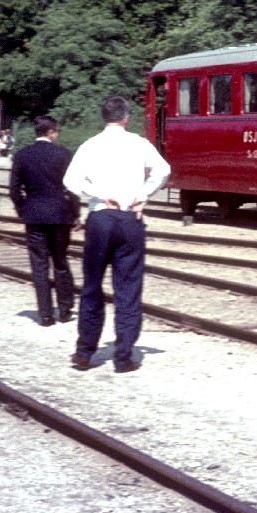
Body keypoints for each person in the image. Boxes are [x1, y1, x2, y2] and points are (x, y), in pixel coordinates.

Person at [64, 96, 169, 373]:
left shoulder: (90, 145)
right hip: (129, 220)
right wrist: (142, 196)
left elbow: (70, 180)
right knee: (128, 290)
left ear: (104, 118)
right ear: (126, 118)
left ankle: (85, 353)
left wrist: (98, 194)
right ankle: (123, 358)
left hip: (100, 218)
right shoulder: (138, 143)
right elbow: (163, 170)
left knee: (92, 287)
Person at [9, 115, 79, 327]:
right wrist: (75, 214)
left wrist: (24, 210)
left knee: (39, 265)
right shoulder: (64, 154)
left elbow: (13, 189)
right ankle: (65, 310)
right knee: (60, 261)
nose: (57, 135)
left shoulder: (22, 155)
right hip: (60, 215)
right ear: (51, 132)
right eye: (57, 132)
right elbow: (72, 187)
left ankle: (46, 315)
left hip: (34, 216)